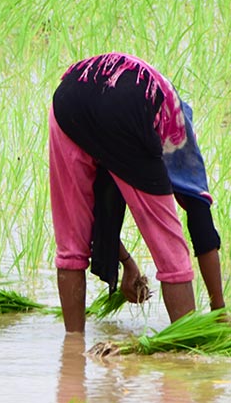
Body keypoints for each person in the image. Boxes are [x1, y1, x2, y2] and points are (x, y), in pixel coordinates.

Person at [49, 52, 224, 333]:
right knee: (171, 251)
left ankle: (73, 350)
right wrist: (220, 313)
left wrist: (128, 265)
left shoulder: (158, 117)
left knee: (71, 242)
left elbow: (91, 218)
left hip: (68, 99)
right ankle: (187, 348)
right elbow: (201, 222)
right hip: (125, 103)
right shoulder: (178, 133)